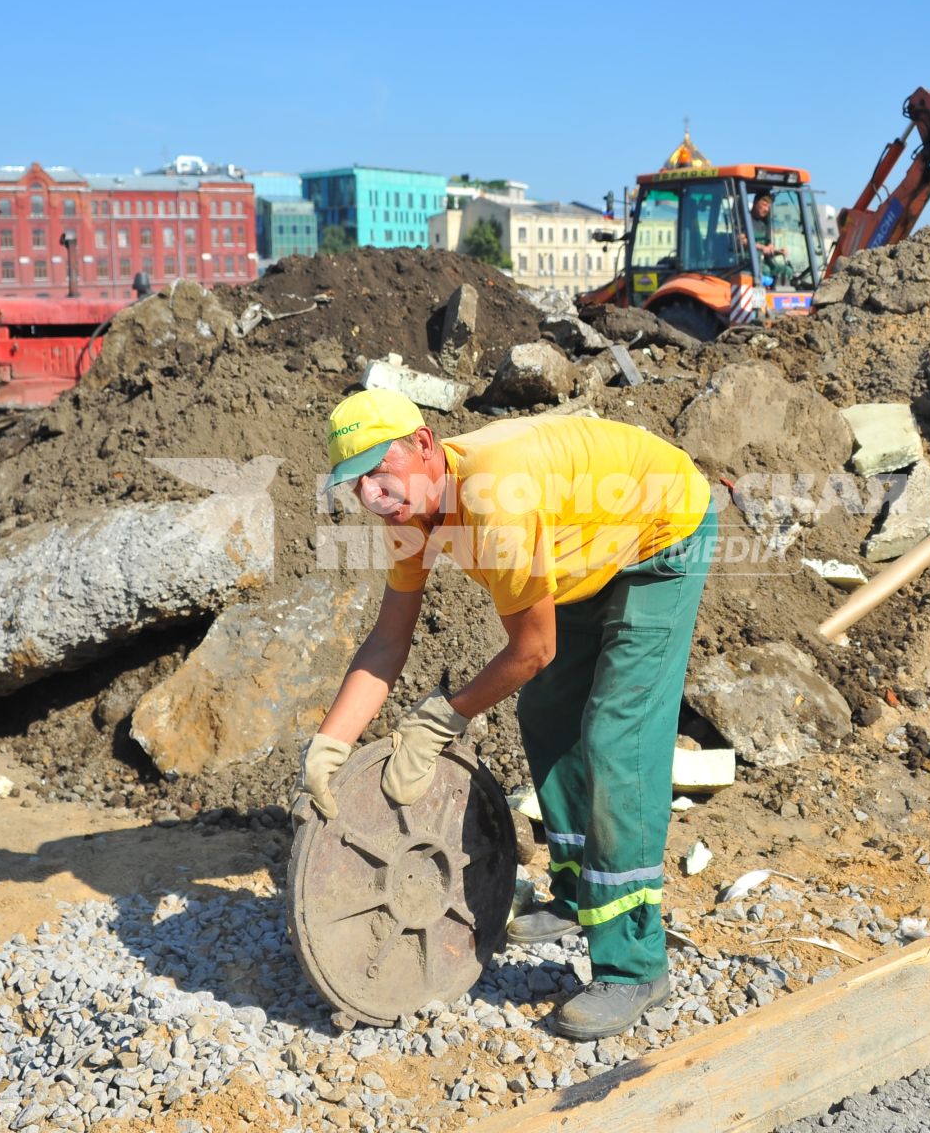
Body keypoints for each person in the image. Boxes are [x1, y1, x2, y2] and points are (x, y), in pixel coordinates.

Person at [298, 390, 716, 1039]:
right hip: (587, 545)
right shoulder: (412, 513)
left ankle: (636, 965)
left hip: (660, 534)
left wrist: (446, 713)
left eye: (383, 470)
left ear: (425, 444)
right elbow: (389, 639)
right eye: (359, 484)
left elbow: (534, 647)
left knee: (617, 739)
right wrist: (330, 744)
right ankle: (581, 892)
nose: (375, 494)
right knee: (546, 709)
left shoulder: (492, 500)